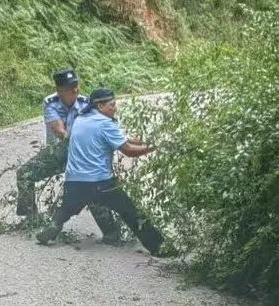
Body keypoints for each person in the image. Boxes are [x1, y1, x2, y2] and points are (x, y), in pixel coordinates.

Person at [36, 88, 173, 257]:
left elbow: (116, 139)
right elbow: (129, 151)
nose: (115, 108)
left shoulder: (80, 120)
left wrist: (141, 141)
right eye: (112, 105)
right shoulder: (105, 124)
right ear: (100, 106)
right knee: (131, 212)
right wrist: (155, 146)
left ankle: (55, 225)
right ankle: (158, 247)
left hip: (74, 181)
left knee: (68, 207)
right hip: (100, 182)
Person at [15, 69, 121, 243]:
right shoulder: (51, 103)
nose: (75, 90)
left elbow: (104, 125)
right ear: (59, 91)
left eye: (76, 86)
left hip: (80, 154)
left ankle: (111, 232)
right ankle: (32, 220)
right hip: (59, 151)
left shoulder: (87, 104)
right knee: (24, 174)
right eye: (70, 89)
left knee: (92, 185)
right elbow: (58, 129)